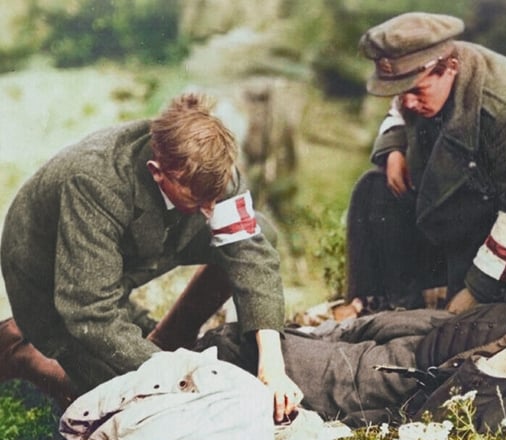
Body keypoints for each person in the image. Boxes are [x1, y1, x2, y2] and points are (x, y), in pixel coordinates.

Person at [0, 93, 302, 421]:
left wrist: (272, 364)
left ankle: (168, 339)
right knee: (121, 400)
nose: (212, 212)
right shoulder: (95, 180)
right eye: (200, 200)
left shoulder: (210, 168)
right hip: (48, 267)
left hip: (132, 244)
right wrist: (178, 377)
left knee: (260, 234)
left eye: (215, 198)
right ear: (157, 172)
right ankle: (18, 350)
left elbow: (250, 252)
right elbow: (89, 310)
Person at [201, 263, 506, 436]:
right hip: (420, 329)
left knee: (236, 347)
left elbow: (439, 420)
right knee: (282, 336)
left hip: (394, 374)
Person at [345, 12, 506, 312]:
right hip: (480, 197)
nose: (409, 101)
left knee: (460, 322)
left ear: (450, 67)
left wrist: (474, 292)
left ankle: (430, 309)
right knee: (373, 190)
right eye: (402, 92)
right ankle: (379, 306)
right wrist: (394, 148)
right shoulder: (426, 72)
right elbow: (400, 106)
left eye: (415, 91)